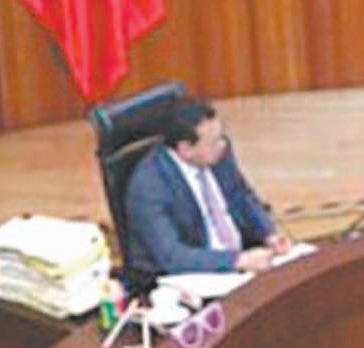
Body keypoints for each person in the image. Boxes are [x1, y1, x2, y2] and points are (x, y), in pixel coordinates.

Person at [123, 96, 291, 277]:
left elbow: (241, 195)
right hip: (191, 273)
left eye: (221, 137)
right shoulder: (149, 185)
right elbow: (172, 256)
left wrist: (268, 234)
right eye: (213, 142)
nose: (223, 145)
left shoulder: (218, 153)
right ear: (186, 149)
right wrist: (237, 260)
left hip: (239, 260)